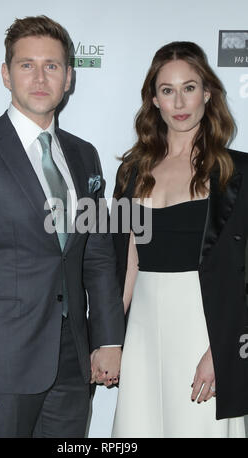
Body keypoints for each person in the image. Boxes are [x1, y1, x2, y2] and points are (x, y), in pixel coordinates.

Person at [0, 15, 124, 438]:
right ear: (6, 75)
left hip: (73, 360)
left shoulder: (85, 157)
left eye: (53, 66)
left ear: (68, 78)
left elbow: (97, 256)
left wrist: (109, 339)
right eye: (27, 65)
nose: (41, 77)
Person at [111, 41, 248, 438]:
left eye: (189, 87)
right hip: (142, 326)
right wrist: (110, 339)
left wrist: (223, 351)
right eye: (167, 90)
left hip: (205, 323)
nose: (180, 101)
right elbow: (127, 261)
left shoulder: (238, 172)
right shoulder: (130, 173)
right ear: (154, 99)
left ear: (207, 92)